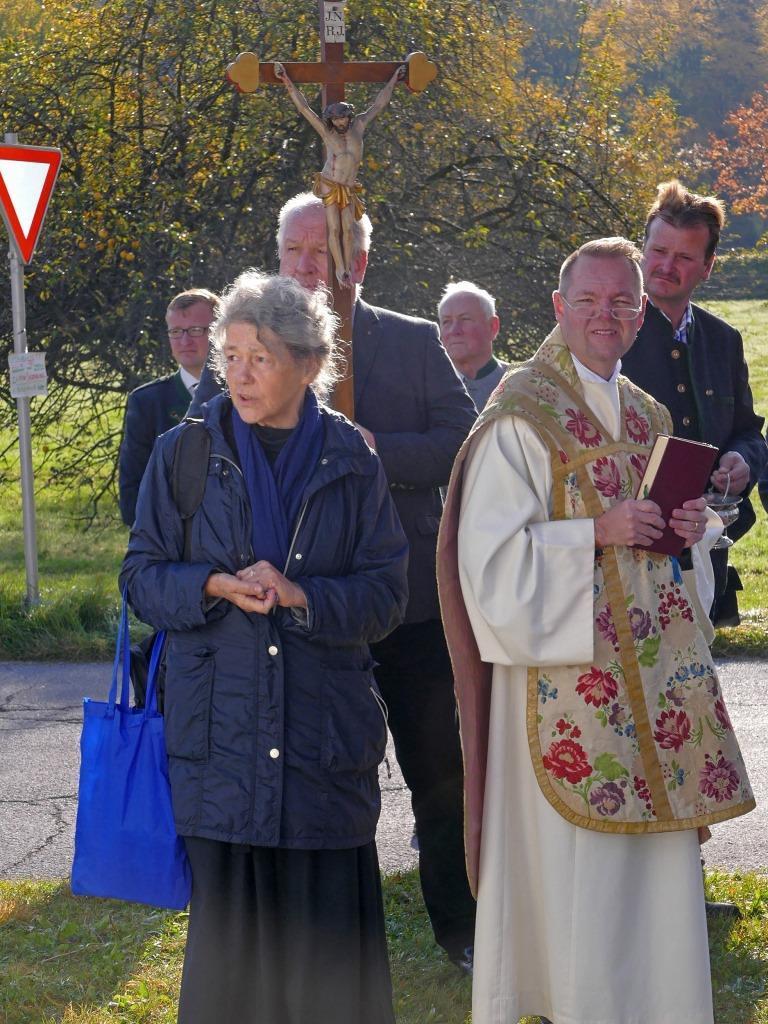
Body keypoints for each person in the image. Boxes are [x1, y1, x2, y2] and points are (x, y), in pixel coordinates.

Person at [438, 237, 754, 1024]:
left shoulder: (649, 414)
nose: (604, 316)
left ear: (642, 313)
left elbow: (667, 561)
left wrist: (691, 531)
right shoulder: (521, 414)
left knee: (652, 880)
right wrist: (595, 532)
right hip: (564, 690)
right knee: (578, 882)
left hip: (652, 686)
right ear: (559, 307)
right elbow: (488, 565)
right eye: (588, 300)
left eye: (621, 302)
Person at [192, 192, 478, 972]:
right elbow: (201, 449)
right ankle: (304, 935)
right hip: (287, 621)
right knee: (303, 777)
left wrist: (375, 450)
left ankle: (460, 928)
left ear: (361, 259)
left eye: (324, 249)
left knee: (439, 771)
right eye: (294, 248)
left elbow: (463, 439)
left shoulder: (412, 340)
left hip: (404, 602)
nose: (307, 263)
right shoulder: (244, 349)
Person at [120, 271, 408, 1024]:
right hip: (223, 750)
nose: (240, 375)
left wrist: (302, 595)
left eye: (261, 357)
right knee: (233, 981)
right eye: (231, 356)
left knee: (330, 982)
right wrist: (213, 584)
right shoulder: (184, 453)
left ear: (309, 365)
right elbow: (141, 578)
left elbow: (387, 596)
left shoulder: (352, 458)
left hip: (323, 752)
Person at [621, 180, 767, 627]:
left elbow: (748, 431)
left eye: (684, 257)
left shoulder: (724, 339)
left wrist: (743, 461)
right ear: (641, 251)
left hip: (708, 558)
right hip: (625, 566)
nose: (666, 266)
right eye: (658, 251)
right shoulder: (609, 335)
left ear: (708, 266)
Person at [274, 62, 405, 287]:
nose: (340, 122)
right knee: (333, 229)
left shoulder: (359, 126)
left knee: (348, 230)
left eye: (343, 118)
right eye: (335, 120)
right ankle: (341, 269)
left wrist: (394, 78)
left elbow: (379, 104)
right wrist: (287, 80)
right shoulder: (328, 134)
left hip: (348, 187)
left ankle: (345, 267)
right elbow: (305, 109)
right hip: (330, 184)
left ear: (349, 117)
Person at [118, 288, 219, 526]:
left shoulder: (244, 395)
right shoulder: (147, 402)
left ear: (220, 332)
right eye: (176, 332)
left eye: (196, 330)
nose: (185, 341)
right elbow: (133, 489)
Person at [438, 281, 510, 411]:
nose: (454, 331)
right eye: (446, 322)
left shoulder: (520, 385)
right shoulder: (425, 388)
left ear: (492, 326)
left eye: (465, 319)